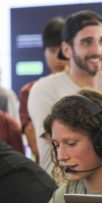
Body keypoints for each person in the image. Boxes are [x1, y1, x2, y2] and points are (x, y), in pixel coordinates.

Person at [28, 10, 102, 177]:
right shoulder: (45, 89)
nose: (97, 50)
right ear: (67, 50)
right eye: (87, 42)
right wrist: (98, 95)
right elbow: (60, 143)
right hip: (60, 193)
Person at [19, 17, 68, 162]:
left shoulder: (85, 86)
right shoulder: (30, 91)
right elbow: (36, 146)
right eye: (53, 50)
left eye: (63, 51)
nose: (59, 58)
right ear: (44, 52)